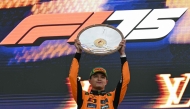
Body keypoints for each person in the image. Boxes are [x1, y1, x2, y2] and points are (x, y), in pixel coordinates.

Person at [69, 39, 130, 109]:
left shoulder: (113, 97)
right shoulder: (82, 96)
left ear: (106, 82)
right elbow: (72, 77)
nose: (99, 79)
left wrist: (122, 55)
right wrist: (78, 53)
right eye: (95, 76)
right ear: (89, 81)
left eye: (102, 77)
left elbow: (125, 80)